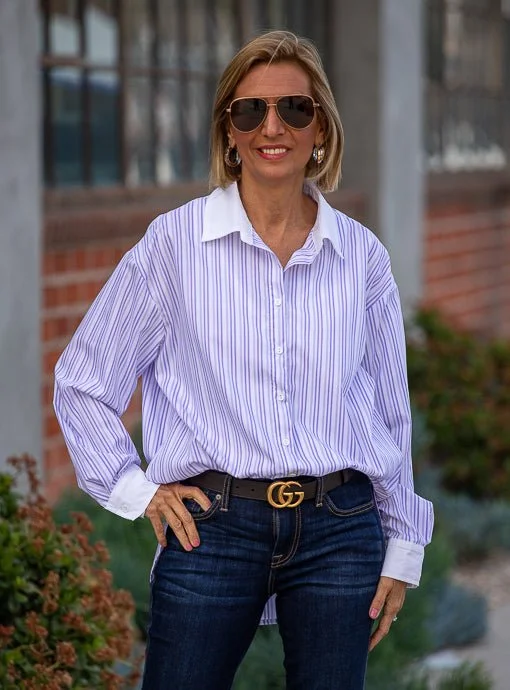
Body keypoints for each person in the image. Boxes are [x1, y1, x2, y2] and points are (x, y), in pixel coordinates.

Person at [54, 30, 434, 690]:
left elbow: (387, 413)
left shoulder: (362, 258)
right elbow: (82, 381)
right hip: (213, 532)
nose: (271, 127)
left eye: (294, 108)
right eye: (249, 110)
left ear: (322, 129)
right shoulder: (173, 248)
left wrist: (403, 544)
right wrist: (138, 492)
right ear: (228, 131)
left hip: (340, 531)